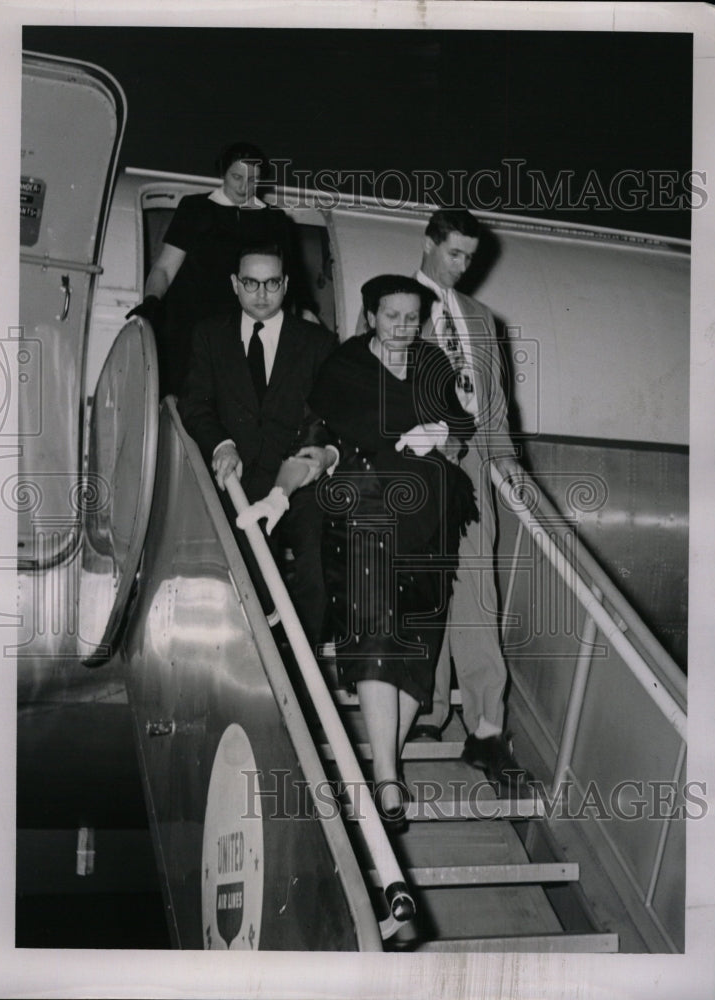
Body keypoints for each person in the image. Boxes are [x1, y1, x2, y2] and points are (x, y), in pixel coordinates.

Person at [239, 275, 478, 829]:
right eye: (392, 316)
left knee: (419, 643)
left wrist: (443, 437)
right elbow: (317, 446)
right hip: (367, 508)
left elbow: (461, 431)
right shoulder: (344, 368)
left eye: (412, 317)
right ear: (370, 316)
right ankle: (389, 781)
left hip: (431, 518)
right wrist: (279, 493)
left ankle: (384, 764)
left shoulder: (432, 366)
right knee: (375, 631)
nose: (403, 327)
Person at [412, 207, 532, 792]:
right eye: (454, 253)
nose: (462, 266)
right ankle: (428, 711)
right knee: (422, 591)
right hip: (417, 470)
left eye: (469, 257)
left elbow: (495, 407)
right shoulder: (395, 306)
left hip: (475, 470)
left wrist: (505, 461)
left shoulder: (483, 320)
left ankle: (486, 728)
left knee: (477, 596)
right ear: (429, 243)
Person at [176, 243, 337, 648]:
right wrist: (221, 445)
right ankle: (258, 657)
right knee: (242, 574)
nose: (261, 293)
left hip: (298, 484)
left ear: (285, 285)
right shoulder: (209, 336)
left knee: (317, 567)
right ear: (235, 284)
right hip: (239, 478)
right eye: (251, 282)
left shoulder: (317, 342)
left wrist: (303, 465)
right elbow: (195, 405)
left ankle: (306, 667)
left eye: (271, 283)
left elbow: (326, 414)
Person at [127, 141, 316, 397]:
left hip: (244, 328)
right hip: (191, 326)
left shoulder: (274, 220)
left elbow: (292, 283)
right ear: (222, 174)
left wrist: (311, 326)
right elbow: (164, 268)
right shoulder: (195, 208)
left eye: (253, 179)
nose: (243, 187)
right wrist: (151, 301)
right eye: (236, 177)